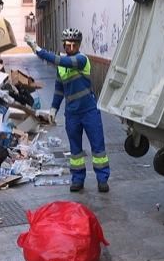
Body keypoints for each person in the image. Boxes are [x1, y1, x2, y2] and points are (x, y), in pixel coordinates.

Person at [25, 29, 110, 193]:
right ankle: (77, 179)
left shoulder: (81, 60)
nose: (70, 47)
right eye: (67, 44)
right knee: (75, 150)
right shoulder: (61, 68)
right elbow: (58, 89)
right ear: (64, 45)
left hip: (89, 111)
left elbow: (61, 61)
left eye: (74, 44)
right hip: (72, 114)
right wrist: (53, 109)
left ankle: (102, 179)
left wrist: (38, 50)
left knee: (98, 147)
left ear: (78, 45)